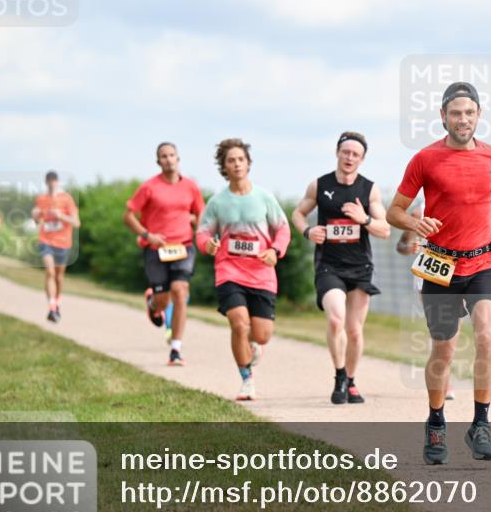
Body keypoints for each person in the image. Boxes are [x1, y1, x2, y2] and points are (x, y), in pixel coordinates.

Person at [387, 81, 491, 465]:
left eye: (469, 113)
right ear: (443, 117)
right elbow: (395, 211)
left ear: (479, 115)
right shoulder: (425, 159)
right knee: (444, 348)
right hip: (439, 265)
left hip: (484, 260)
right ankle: (436, 422)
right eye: (456, 113)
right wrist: (414, 224)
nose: (463, 119)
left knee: (487, 335)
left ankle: (480, 424)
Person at [291, 132, 391, 404]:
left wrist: (364, 218)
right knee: (336, 319)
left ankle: (351, 380)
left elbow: (385, 230)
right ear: (337, 153)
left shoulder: (369, 189)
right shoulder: (319, 185)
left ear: (362, 159)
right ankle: (339, 375)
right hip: (329, 265)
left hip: (360, 267)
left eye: (355, 154)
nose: (349, 158)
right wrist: (308, 231)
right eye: (345, 152)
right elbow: (298, 214)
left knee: (355, 330)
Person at [196, 138, 290, 401]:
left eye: (240, 159)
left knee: (261, 335)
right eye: (231, 160)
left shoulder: (264, 198)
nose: (236, 164)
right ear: (223, 167)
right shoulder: (217, 202)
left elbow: (283, 229)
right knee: (239, 323)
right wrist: (208, 246)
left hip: (261, 273)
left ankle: (253, 348)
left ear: (248, 163)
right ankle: (246, 379)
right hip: (229, 271)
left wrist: (275, 251)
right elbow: (202, 233)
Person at [124, 142, 205, 366]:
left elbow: (201, 213)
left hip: (183, 246)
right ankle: (153, 304)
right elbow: (129, 216)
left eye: (171, 155)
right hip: (155, 249)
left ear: (178, 159)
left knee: (180, 291)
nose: (168, 159)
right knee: (163, 299)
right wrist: (147, 235)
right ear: (158, 162)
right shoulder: (149, 187)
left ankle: (176, 349)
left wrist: (201, 231)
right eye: (163, 156)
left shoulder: (191, 187)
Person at [396, 203, 455, 401]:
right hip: (430, 272)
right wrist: (411, 246)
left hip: (459, 270)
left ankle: (444, 377)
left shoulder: (461, 204)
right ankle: (444, 382)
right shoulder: (417, 211)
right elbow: (401, 246)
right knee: (440, 330)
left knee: (452, 330)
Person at [31, 171, 80, 323]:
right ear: (46, 183)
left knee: (59, 277)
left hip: (63, 243)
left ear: (58, 183)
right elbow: (37, 222)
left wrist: (61, 216)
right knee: (50, 273)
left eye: (54, 181)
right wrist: (35, 216)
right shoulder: (41, 199)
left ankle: (57, 303)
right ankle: (52, 307)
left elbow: (77, 223)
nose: (52, 184)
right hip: (46, 241)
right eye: (49, 182)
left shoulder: (66, 199)